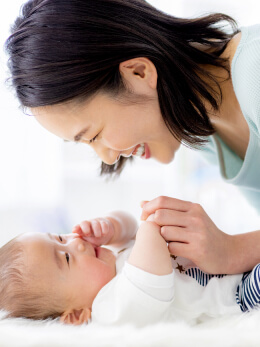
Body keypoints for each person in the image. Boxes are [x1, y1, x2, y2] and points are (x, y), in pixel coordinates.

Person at [4, 0, 260, 275]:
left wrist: (234, 250)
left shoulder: (254, 70)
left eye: (94, 135)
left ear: (139, 73)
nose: (108, 156)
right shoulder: (207, 132)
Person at [0, 210, 259, 326]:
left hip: (232, 261)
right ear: (77, 315)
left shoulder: (114, 260)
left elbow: (129, 225)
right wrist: (151, 222)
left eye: (60, 238)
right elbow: (151, 272)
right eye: (66, 259)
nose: (75, 242)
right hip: (237, 293)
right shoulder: (111, 310)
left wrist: (111, 226)